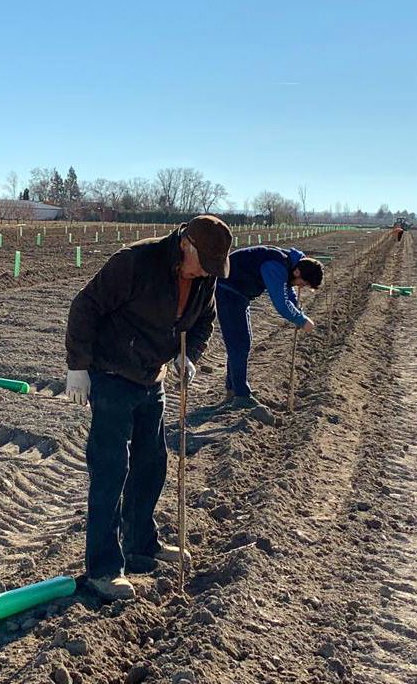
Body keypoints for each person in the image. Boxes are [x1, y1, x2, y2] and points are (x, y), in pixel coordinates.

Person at [65, 215, 232, 601]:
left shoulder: (205, 279)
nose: (207, 272)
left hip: (150, 378)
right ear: (185, 244)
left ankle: (141, 545)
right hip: (110, 374)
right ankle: (103, 569)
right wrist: (78, 367)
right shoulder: (136, 262)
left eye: (213, 267)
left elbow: (204, 322)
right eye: (203, 262)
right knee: (111, 470)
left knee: (152, 463)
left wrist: (188, 356)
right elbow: (85, 307)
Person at [215, 246, 322, 410]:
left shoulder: (290, 263)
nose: (301, 287)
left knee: (242, 343)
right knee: (239, 343)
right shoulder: (276, 265)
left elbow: (288, 292)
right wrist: (301, 320)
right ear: (298, 273)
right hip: (228, 290)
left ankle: (233, 391)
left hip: (240, 293)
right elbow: (280, 302)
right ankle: (241, 395)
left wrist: (298, 312)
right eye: (304, 283)